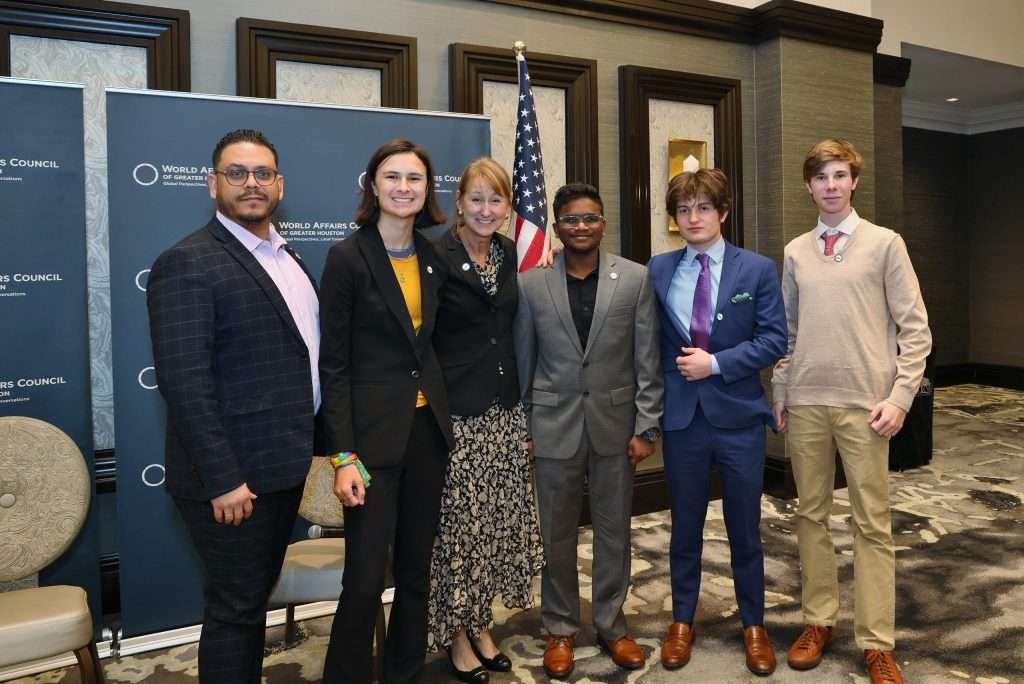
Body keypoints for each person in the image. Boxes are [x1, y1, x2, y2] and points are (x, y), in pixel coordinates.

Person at [147, 129, 321, 683]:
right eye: (237, 173)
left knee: (248, 605)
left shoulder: (287, 257)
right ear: (212, 184)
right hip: (231, 482)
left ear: (280, 184)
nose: (251, 184)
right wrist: (223, 478)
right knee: (236, 611)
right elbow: (185, 381)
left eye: (262, 174)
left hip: (280, 468)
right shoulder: (187, 262)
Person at [772, 139, 931, 684]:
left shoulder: (885, 244)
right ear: (809, 186)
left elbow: (916, 331)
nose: (831, 185)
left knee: (872, 525)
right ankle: (819, 621)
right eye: (821, 178)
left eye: (840, 175)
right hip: (808, 402)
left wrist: (900, 398)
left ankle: (877, 643)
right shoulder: (795, 251)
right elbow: (788, 334)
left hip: (869, 409)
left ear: (854, 181)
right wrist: (781, 389)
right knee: (810, 517)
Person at [319, 140, 455, 684]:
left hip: (426, 434)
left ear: (427, 190)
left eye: (415, 179)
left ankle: (403, 671)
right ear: (373, 186)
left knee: (418, 572)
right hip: (369, 444)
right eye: (393, 177)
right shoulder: (347, 258)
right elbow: (333, 367)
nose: (404, 187)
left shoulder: (434, 256)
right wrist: (342, 457)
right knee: (365, 578)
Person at [514, 182, 663, 678]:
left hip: (616, 429)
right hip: (552, 427)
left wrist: (647, 427)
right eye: (571, 220)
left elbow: (647, 360)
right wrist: (526, 426)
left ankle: (610, 624)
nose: (581, 227)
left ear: (603, 223)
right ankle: (560, 628)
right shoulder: (532, 283)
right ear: (556, 226)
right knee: (555, 534)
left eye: (590, 218)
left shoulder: (635, 279)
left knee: (613, 532)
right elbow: (524, 361)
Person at [648, 168, 787, 676]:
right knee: (684, 526)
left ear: (723, 213)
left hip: (738, 420)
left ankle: (754, 624)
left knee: (744, 528)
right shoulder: (658, 270)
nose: (693, 218)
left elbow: (775, 340)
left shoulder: (756, 271)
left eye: (703, 208)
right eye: (684, 210)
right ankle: (682, 619)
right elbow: (648, 342)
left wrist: (718, 364)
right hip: (683, 420)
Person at [426, 157, 545, 683]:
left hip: (503, 410)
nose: (485, 209)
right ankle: (457, 636)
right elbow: (422, 337)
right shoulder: (434, 252)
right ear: (459, 202)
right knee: (459, 532)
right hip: (456, 414)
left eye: (496, 199)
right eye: (476, 198)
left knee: (493, 526)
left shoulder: (508, 250)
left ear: (507, 207)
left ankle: (481, 626)